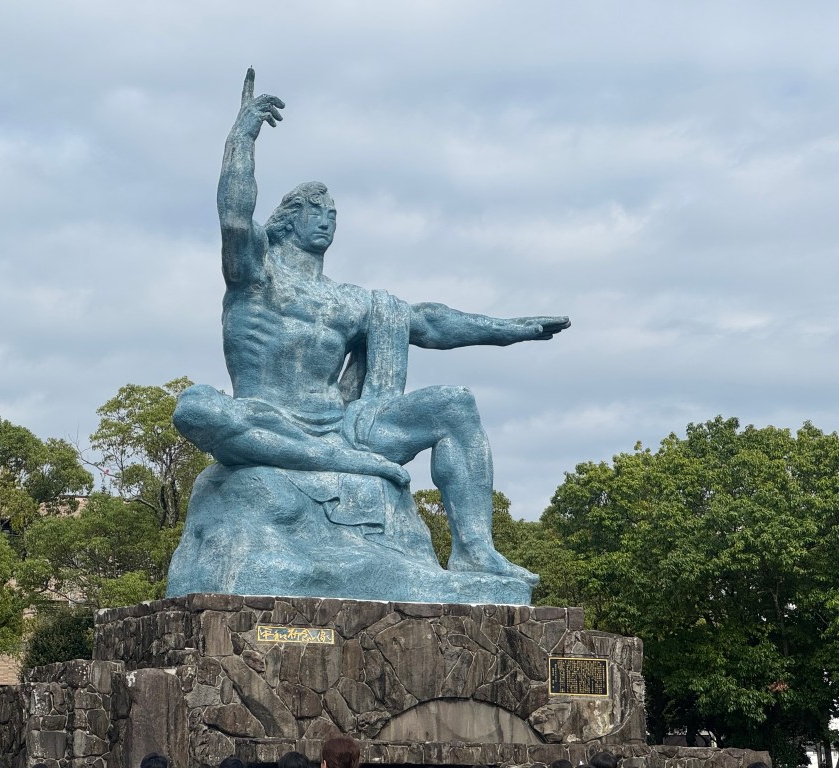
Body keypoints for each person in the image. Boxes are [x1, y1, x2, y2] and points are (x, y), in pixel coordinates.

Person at [174, 68, 569, 586]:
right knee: (196, 407)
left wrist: (510, 328)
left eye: (333, 214)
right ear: (288, 217)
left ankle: (476, 552)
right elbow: (233, 216)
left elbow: (427, 322)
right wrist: (242, 137)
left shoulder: (349, 301)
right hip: (267, 420)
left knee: (455, 404)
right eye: (316, 211)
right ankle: (337, 463)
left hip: (343, 427)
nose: (328, 220)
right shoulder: (255, 274)